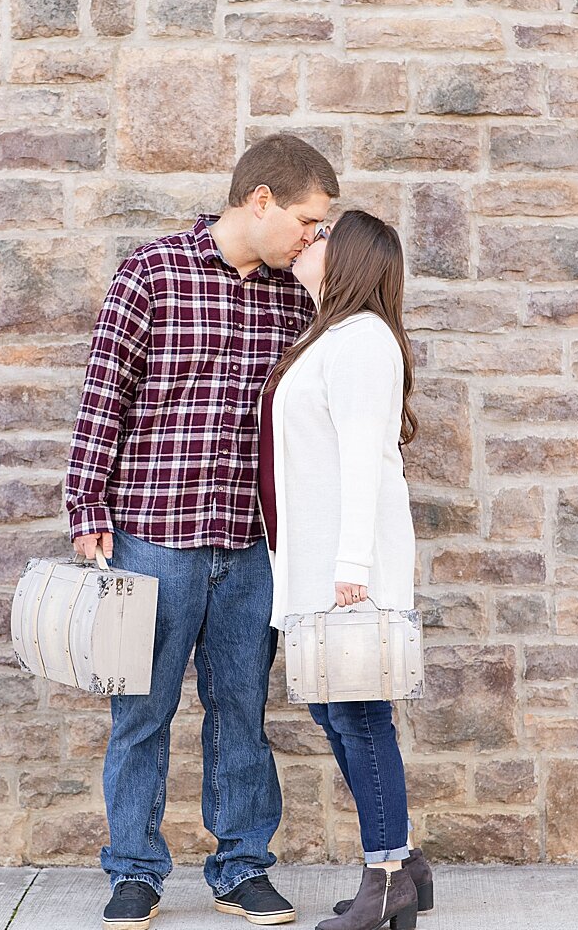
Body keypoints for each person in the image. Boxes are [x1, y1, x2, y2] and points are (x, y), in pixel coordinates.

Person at [66, 133, 339, 930]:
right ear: (261, 200)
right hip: (152, 538)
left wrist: (328, 292)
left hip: (251, 545)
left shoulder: (297, 295)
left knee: (241, 710)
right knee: (142, 713)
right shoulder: (151, 273)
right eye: (308, 220)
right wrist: (87, 509)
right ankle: (135, 873)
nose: (313, 237)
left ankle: (242, 867)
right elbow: (102, 396)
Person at [259, 211, 433, 930]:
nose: (309, 237)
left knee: (358, 717)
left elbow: (366, 458)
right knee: (340, 712)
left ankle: (387, 873)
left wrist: (351, 566)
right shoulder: (332, 337)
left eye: (324, 232)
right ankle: (406, 869)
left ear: (352, 258)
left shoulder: (362, 342)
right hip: (318, 564)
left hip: (346, 569)